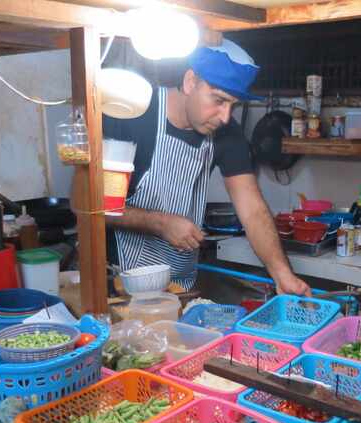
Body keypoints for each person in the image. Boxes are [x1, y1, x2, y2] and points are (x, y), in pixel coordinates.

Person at [103, 39, 310, 295]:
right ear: (190, 81)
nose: (225, 117)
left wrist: (283, 275)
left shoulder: (226, 132)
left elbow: (253, 211)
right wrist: (159, 223)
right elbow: (96, 207)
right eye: (219, 100)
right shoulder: (133, 113)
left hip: (176, 287)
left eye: (233, 105)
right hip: (118, 282)